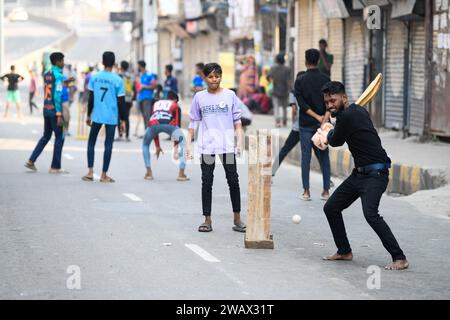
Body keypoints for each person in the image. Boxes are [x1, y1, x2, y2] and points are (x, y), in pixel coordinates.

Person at [317, 81, 409, 271]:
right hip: (359, 174)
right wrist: (331, 130)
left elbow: (335, 141)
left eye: (333, 100)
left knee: (371, 215)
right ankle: (344, 250)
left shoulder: (348, 116)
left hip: (376, 173)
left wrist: (326, 133)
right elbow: (340, 133)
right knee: (331, 208)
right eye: (327, 102)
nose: (330, 105)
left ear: (344, 98)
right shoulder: (355, 112)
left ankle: (400, 258)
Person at [186, 63, 246, 233]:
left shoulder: (230, 95)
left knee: (233, 180)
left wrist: (239, 141)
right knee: (207, 181)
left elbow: (237, 121)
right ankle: (207, 219)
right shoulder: (199, 97)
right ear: (204, 78)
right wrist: (188, 145)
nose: (214, 80)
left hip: (226, 145)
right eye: (211, 77)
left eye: (217, 76)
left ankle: (237, 218)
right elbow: (193, 122)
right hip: (207, 146)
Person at [82, 51, 126, 183]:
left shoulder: (94, 78)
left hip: (97, 116)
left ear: (102, 62)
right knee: (108, 145)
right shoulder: (118, 80)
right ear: (113, 63)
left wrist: (89, 114)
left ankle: (90, 172)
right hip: (112, 117)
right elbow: (121, 102)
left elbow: (91, 98)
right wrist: (122, 121)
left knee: (91, 142)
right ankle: (103, 175)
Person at [294, 49, 331, 201]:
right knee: (324, 157)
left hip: (306, 125)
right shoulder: (326, 79)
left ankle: (306, 191)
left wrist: (316, 116)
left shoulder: (300, 80)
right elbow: (331, 102)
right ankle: (326, 191)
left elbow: (302, 105)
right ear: (318, 61)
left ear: (305, 61)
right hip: (323, 125)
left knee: (306, 157)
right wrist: (324, 119)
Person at [24, 52, 66, 173]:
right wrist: (59, 115)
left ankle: (31, 160)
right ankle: (55, 167)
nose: (63, 63)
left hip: (46, 109)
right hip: (54, 111)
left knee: (46, 136)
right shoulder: (58, 75)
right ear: (58, 62)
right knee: (60, 137)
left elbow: (51, 87)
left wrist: (65, 81)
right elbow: (57, 96)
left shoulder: (47, 73)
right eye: (62, 61)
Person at [142, 90, 188, 181]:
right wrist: (176, 146)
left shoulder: (157, 103)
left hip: (153, 124)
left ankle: (148, 172)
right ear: (175, 100)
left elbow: (155, 122)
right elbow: (177, 126)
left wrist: (157, 146)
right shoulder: (175, 105)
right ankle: (181, 173)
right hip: (169, 124)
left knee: (145, 144)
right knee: (184, 144)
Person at [269, 53, 292, 127]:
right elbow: (289, 80)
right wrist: (291, 89)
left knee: (276, 107)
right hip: (285, 90)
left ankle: (277, 121)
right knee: (285, 107)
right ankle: (284, 121)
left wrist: (272, 80)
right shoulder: (287, 69)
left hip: (275, 90)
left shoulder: (273, 68)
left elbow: (268, 77)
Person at [137, 60, 158, 129]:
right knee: (144, 116)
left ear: (141, 66)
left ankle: (150, 131)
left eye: (138, 66)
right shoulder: (141, 76)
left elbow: (154, 86)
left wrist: (144, 87)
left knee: (147, 115)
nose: (137, 68)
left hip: (147, 98)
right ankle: (146, 130)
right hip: (141, 98)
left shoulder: (150, 75)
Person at [116, 60, 134, 142]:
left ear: (121, 67)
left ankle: (120, 135)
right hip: (129, 99)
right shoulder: (131, 76)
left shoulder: (119, 76)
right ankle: (127, 136)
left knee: (119, 117)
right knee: (126, 118)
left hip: (121, 98)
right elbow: (133, 87)